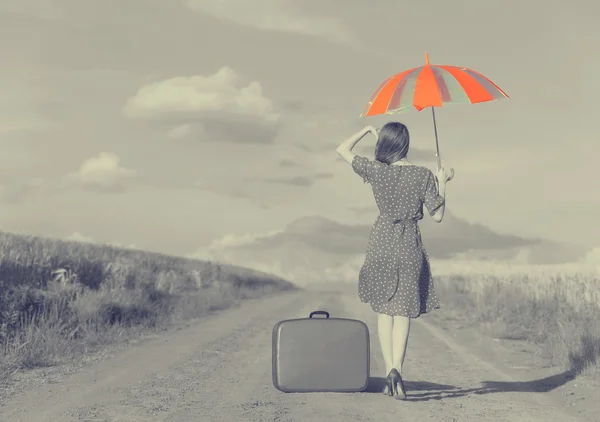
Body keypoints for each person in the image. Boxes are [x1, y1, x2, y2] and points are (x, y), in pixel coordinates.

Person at [336, 122, 453, 400]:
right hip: (408, 244)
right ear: (407, 144)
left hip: (381, 242)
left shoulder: (377, 171)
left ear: (386, 145)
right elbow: (437, 215)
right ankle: (396, 370)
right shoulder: (422, 175)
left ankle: (389, 368)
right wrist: (442, 183)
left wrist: (366, 130)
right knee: (402, 312)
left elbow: (342, 149)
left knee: (384, 311)